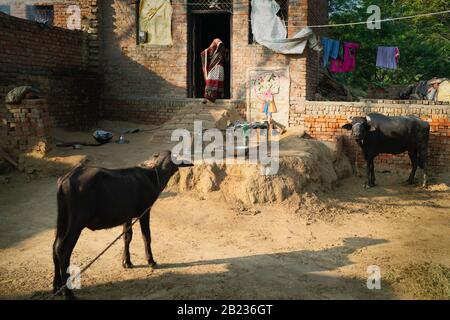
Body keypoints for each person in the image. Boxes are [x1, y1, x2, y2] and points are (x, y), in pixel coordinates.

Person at [201, 38, 228, 103]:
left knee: (217, 83)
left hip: (220, 68)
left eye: (220, 44)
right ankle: (206, 98)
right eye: (218, 44)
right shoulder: (212, 50)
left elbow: (226, 60)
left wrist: (226, 53)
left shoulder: (223, 51)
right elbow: (203, 53)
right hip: (213, 68)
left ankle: (217, 97)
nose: (220, 46)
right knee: (209, 81)